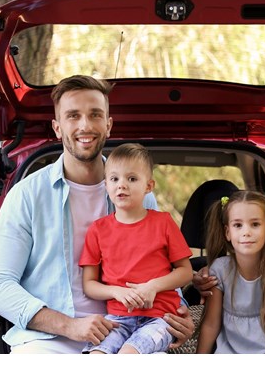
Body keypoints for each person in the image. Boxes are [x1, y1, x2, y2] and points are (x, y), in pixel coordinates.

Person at [0, 75, 195, 354]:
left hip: (131, 329)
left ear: (108, 125)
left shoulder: (137, 193)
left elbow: (160, 265)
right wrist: (69, 326)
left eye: (95, 114)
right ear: (58, 128)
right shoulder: (27, 196)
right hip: (47, 343)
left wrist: (178, 315)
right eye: (73, 116)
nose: (85, 125)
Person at [79, 143, 193, 354]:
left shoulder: (164, 223)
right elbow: (89, 284)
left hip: (159, 319)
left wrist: (152, 287)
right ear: (106, 185)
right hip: (117, 320)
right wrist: (115, 291)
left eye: (131, 179)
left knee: (127, 355)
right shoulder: (98, 230)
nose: (121, 185)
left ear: (148, 186)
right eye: (114, 179)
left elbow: (186, 272)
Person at [196, 191, 265, 354]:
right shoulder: (220, 270)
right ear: (227, 232)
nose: (246, 232)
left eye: (255, 224)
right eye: (238, 225)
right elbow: (211, 324)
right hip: (229, 350)